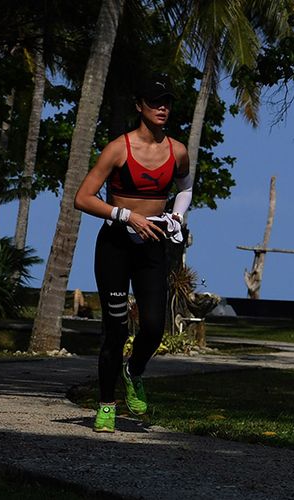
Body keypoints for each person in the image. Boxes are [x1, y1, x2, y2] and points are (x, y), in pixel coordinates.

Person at [74, 74, 192, 433]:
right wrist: (126, 215)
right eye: (155, 101)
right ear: (139, 105)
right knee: (115, 328)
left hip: (153, 244)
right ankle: (107, 404)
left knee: (155, 324)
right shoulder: (118, 149)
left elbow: (186, 187)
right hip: (115, 244)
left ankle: (134, 370)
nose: (162, 108)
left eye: (167, 102)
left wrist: (177, 215)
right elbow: (83, 198)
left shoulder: (178, 151)